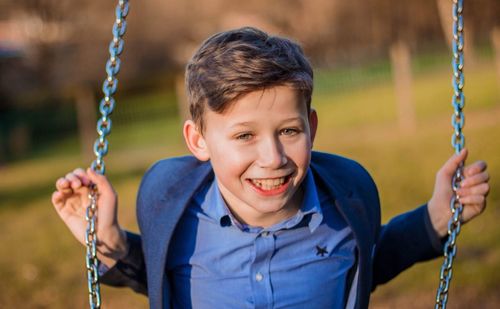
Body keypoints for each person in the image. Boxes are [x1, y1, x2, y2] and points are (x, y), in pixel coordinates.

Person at [51, 27, 490, 309]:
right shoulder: (175, 209)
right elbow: (163, 279)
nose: (273, 159)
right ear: (198, 141)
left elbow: (368, 262)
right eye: (245, 136)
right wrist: (106, 240)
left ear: (312, 128)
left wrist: (434, 218)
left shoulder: (345, 204)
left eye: (288, 131)